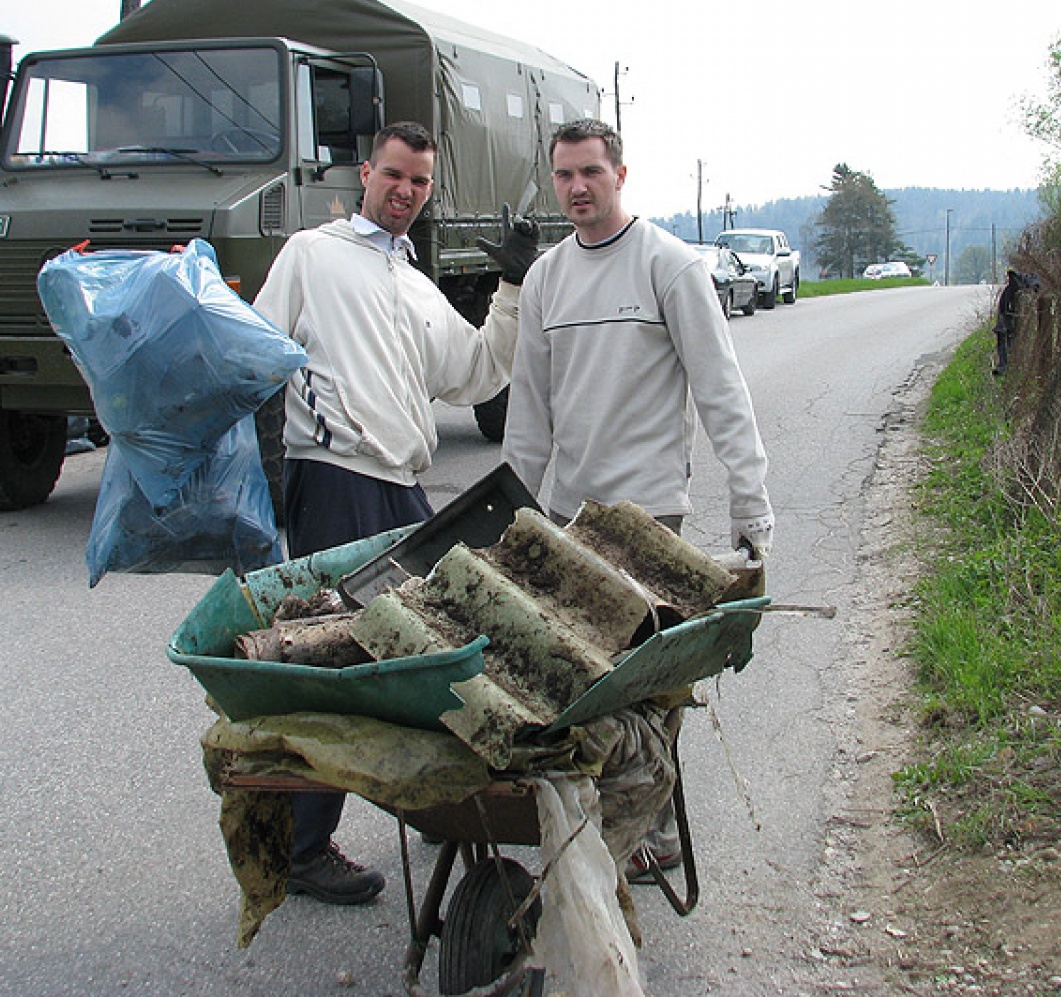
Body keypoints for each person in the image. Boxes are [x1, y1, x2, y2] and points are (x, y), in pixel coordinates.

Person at [253, 120, 538, 904]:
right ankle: (304, 848)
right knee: (344, 660)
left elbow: (478, 371)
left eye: (419, 182)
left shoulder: (416, 284)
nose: (405, 192)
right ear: (364, 173)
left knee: (428, 645)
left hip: (404, 483)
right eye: (394, 176)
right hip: (335, 474)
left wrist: (511, 289)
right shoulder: (312, 255)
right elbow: (254, 349)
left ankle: (431, 798)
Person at [501, 118, 774, 879]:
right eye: (564, 175)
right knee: (570, 675)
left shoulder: (670, 267)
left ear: (622, 173)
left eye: (591, 171)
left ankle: (651, 822)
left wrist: (752, 509)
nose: (577, 187)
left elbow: (722, 394)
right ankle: (582, 804)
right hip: (568, 514)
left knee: (649, 682)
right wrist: (515, 515)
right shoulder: (549, 277)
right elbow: (530, 412)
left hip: (651, 516)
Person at [994, 268, 1023, 375]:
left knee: (1004, 339)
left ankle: (1005, 365)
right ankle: (1005, 365)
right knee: (1005, 338)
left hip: (1006, 321)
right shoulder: (1009, 291)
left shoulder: (1009, 290)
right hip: (1006, 321)